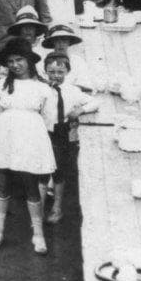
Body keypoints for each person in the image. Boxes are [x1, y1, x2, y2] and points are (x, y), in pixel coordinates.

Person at [0, 37, 57, 254]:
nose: (15, 65)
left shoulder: (43, 88)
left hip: (31, 139)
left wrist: (34, 142)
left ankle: (38, 235)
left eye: (20, 60)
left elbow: (48, 122)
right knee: (3, 183)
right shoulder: (0, 86)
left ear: (29, 60)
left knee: (30, 185)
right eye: (10, 61)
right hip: (5, 138)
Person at [42, 51, 99, 224]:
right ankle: (38, 206)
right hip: (43, 132)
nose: (56, 76)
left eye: (60, 72)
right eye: (52, 72)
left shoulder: (72, 91)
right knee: (41, 169)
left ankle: (57, 207)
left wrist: (80, 110)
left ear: (67, 72)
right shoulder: (41, 89)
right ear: (45, 71)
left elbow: (94, 102)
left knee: (59, 170)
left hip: (61, 133)